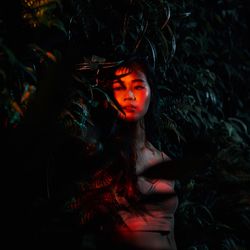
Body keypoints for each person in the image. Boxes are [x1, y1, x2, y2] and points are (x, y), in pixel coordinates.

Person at [70, 56, 179, 250]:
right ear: (108, 96)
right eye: (120, 87)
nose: (129, 95)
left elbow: (169, 233)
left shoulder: (164, 160)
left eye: (138, 86)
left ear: (151, 92)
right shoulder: (101, 158)